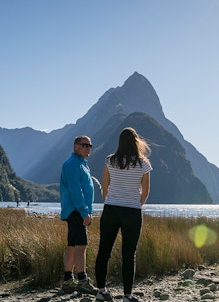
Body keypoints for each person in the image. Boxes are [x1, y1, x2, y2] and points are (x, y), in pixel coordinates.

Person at [94, 127, 152, 302]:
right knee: (129, 254)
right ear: (136, 142)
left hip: (111, 209)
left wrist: (110, 200)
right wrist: (136, 204)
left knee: (104, 251)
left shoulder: (109, 160)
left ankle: (101, 291)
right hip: (132, 211)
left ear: (119, 142)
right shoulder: (143, 164)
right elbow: (146, 192)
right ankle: (127, 296)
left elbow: (104, 187)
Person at [59, 135, 96, 294]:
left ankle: (68, 281)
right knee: (82, 245)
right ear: (76, 147)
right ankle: (82, 280)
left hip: (75, 210)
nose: (88, 148)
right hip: (76, 211)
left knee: (73, 246)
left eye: (90, 145)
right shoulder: (73, 164)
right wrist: (84, 212)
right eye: (85, 145)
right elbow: (75, 191)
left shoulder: (81, 164)